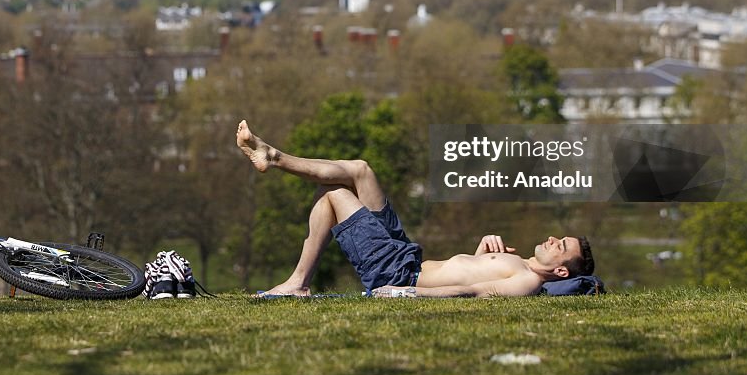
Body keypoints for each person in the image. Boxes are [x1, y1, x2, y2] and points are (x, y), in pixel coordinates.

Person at [236, 120, 594, 298]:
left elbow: (469, 294)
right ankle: (274, 156)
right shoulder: (520, 265)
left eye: (560, 245)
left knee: (333, 194)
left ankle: (298, 283)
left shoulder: (529, 281)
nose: (551, 239)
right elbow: (464, 274)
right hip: (406, 254)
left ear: (561, 272)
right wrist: (479, 251)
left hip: (398, 275)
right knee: (360, 169)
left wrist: (406, 294)